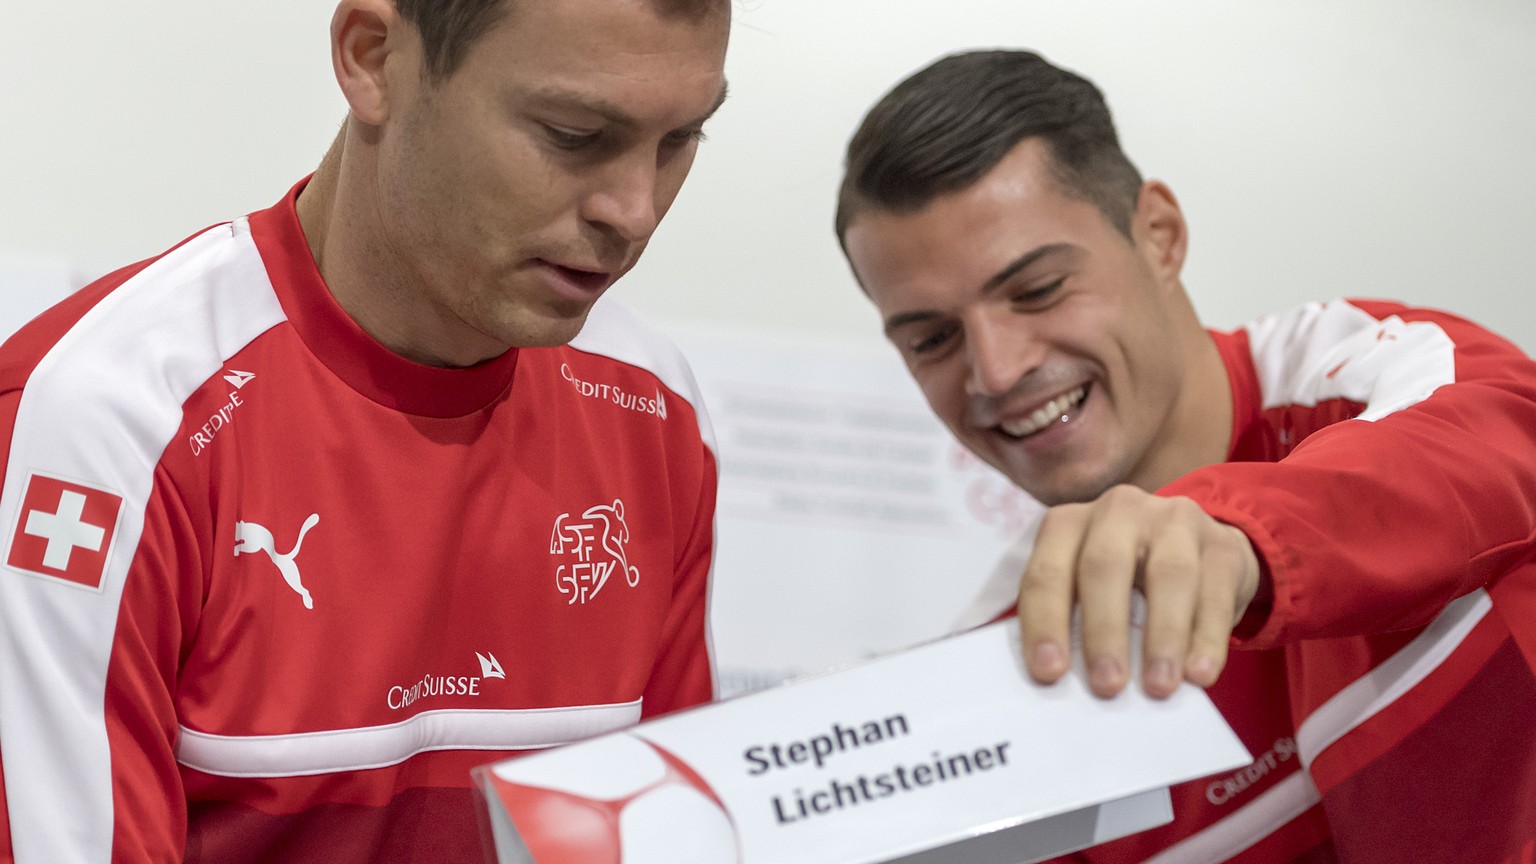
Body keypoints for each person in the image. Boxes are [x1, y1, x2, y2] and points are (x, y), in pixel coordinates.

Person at [0, 0, 730, 861]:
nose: (635, 211)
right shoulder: (105, 426)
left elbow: (672, 840)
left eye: (681, 140)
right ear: (374, 58)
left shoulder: (650, 407)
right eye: (573, 134)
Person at [836, 49, 1536, 863]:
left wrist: (1230, 535)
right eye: (931, 338)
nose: (997, 369)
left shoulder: (1362, 378)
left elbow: (1501, 433)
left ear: (1160, 236)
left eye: (1037, 291)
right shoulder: (1009, 665)